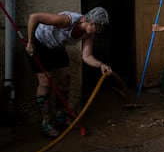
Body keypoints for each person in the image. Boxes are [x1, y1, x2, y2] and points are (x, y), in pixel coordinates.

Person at [26, 7, 112, 137]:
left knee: (65, 78)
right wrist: (30, 42)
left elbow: (87, 56)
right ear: (92, 23)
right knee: (45, 82)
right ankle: (46, 122)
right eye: (98, 28)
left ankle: (61, 116)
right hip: (39, 44)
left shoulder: (88, 33)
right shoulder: (67, 20)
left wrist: (101, 65)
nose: (97, 32)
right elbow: (34, 16)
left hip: (57, 47)